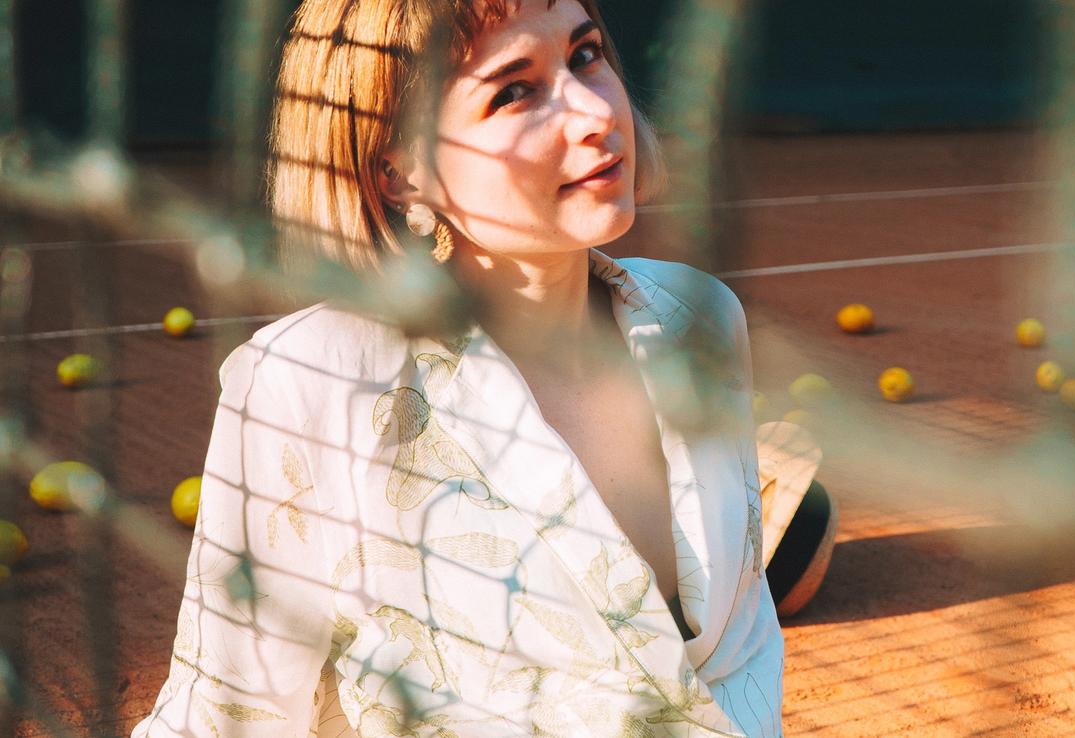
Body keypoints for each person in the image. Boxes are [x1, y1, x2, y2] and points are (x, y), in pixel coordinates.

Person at [130, 0, 784, 735]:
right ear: (401, 174)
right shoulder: (312, 379)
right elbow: (225, 708)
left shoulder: (704, 315)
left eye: (586, 55)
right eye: (515, 90)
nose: (595, 113)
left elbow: (746, 645)